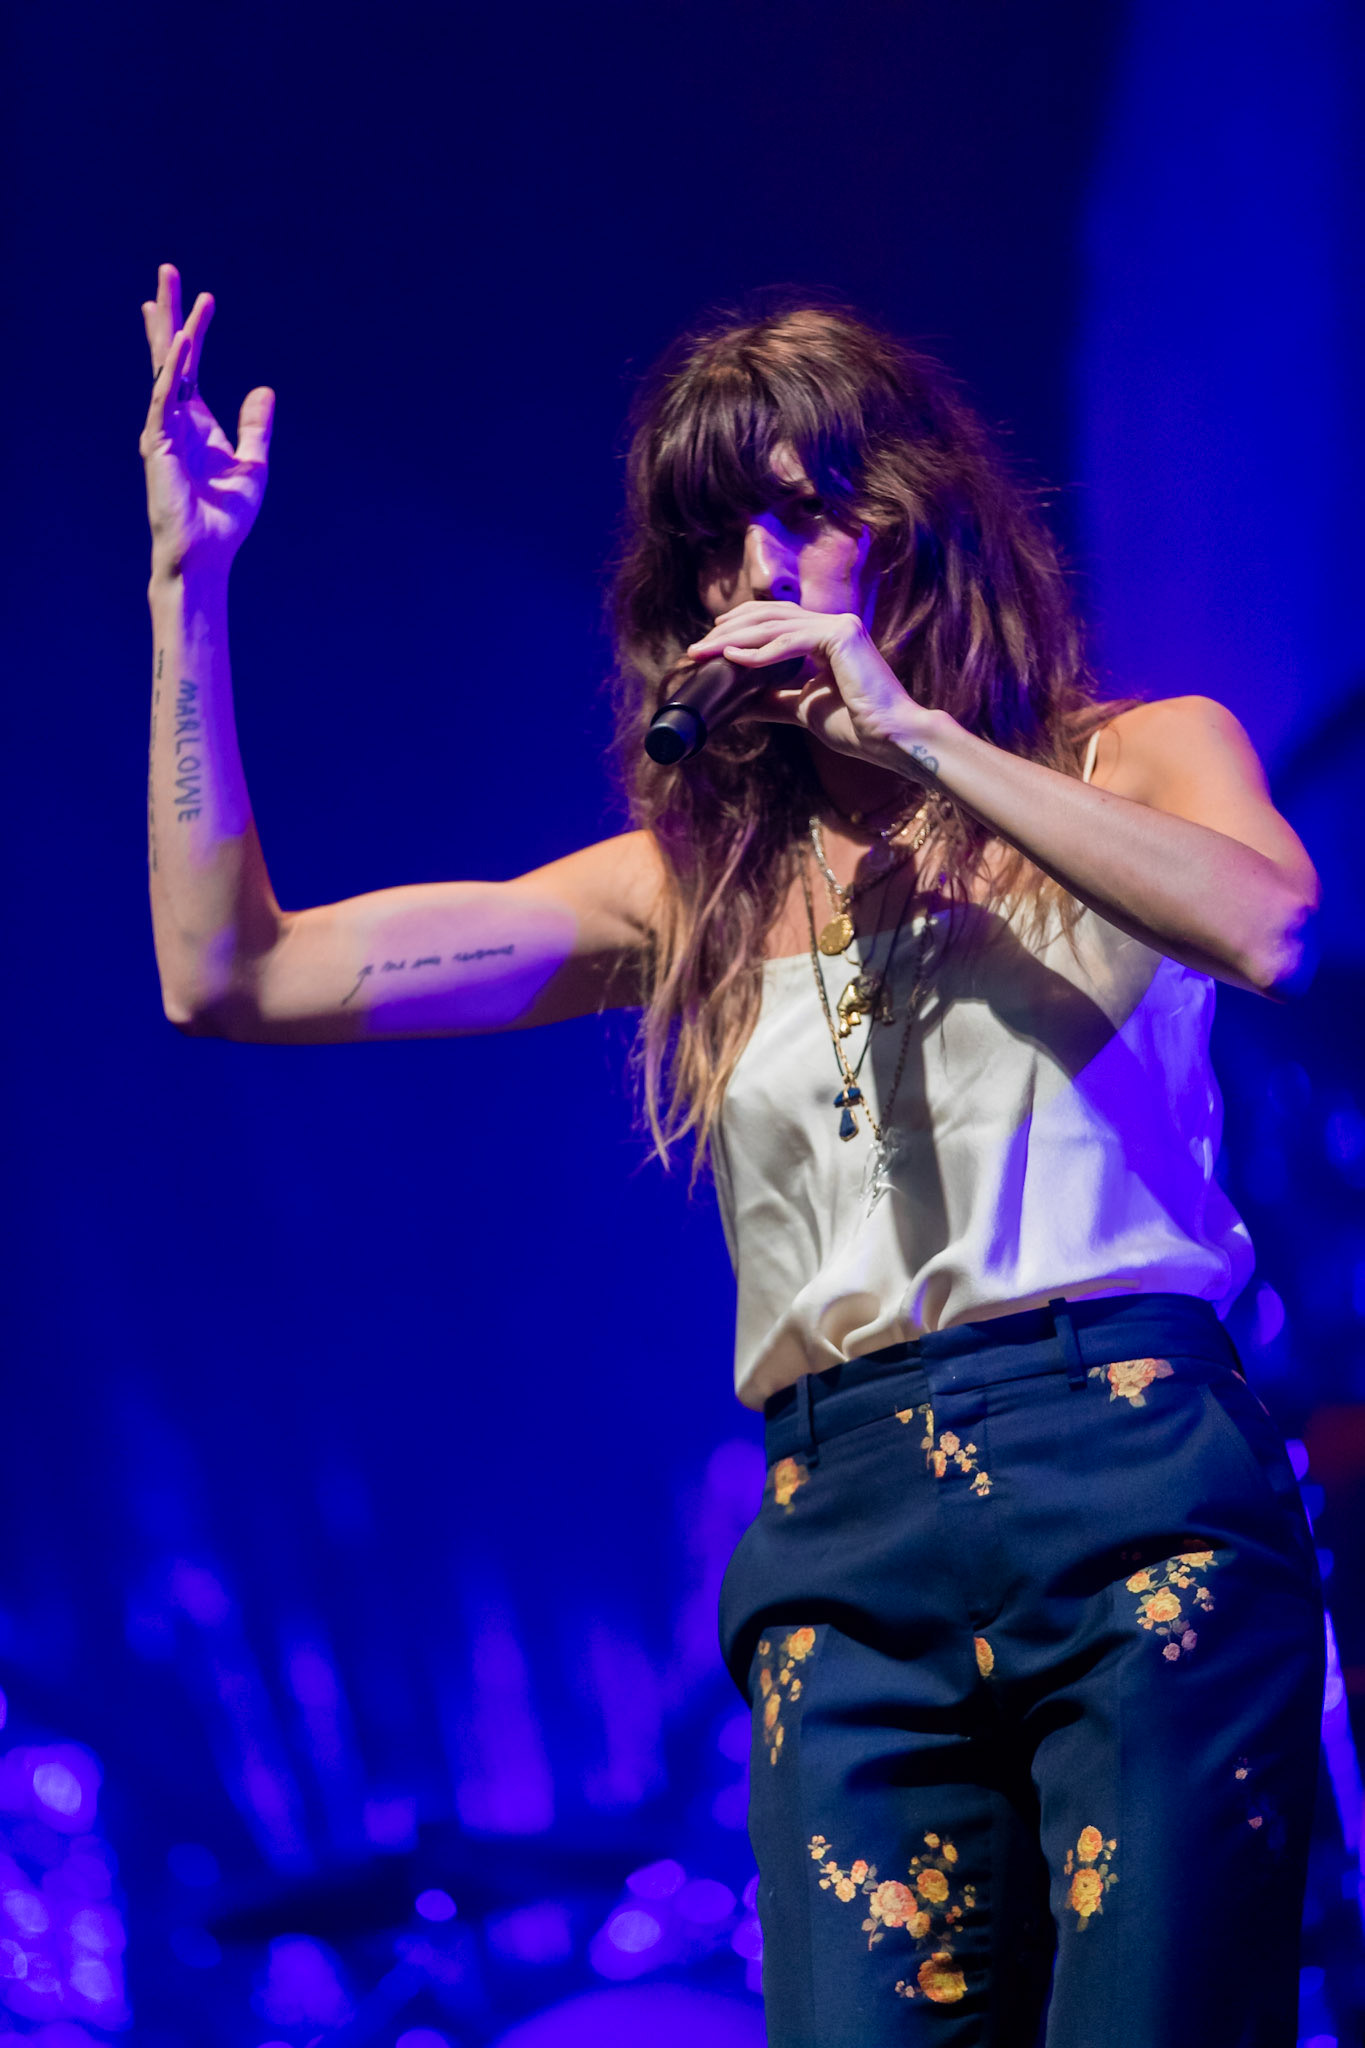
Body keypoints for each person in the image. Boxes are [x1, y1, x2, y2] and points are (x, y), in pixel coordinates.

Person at [140, 264, 1324, 2046]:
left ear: (909, 522)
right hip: (843, 1542)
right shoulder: (683, 887)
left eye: (797, 515)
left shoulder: (1136, 759)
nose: (755, 573)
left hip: (1132, 1471)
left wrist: (913, 733)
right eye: (713, 542)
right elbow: (234, 974)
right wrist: (188, 593)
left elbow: (1268, 927)